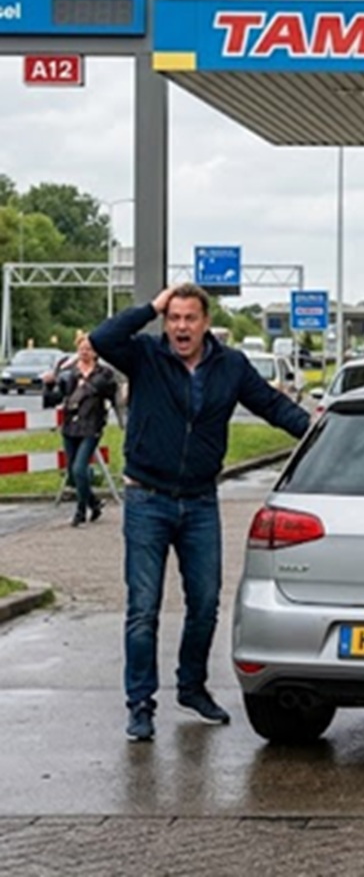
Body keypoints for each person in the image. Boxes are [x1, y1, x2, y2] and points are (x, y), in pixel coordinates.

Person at [91, 284, 311, 743]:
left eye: (190, 318)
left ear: (205, 323)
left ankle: (191, 687)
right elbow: (103, 339)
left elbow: (272, 406)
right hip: (146, 500)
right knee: (143, 609)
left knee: (206, 604)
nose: (181, 327)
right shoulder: (146, 356)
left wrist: (320, 432)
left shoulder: (229, 366)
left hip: (199, 502)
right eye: (173, 318)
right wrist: (151, 304)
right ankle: (140, 704)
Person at [43, 333, 118, 527]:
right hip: (70, 426)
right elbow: (54, 399)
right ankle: (94, 503)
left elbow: (111, 393)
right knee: (72, 472)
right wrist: (49, 384)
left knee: (79, 467)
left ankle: (80, 510)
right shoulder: (70, 375)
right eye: (82, 349)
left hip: (91, 426)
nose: (85, 353)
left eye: (89, 349)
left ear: (96, 353)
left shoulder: (104, 373)